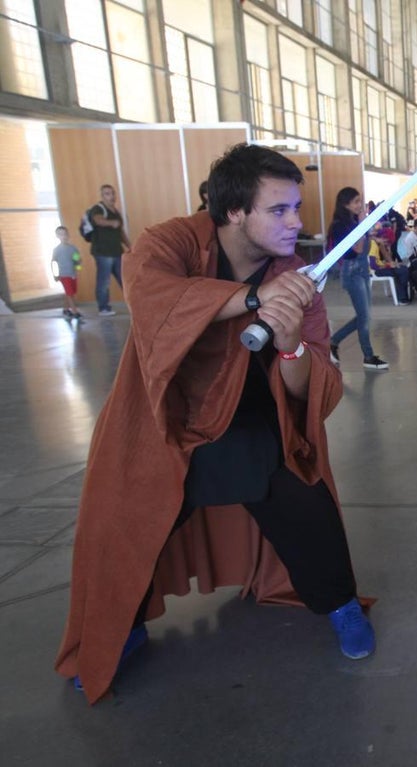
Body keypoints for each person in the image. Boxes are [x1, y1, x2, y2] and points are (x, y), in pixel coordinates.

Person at [55, 144, 375, 705]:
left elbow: (317, 390)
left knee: (306, 504)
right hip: (167, 423)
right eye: (278, 211)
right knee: (123, 522)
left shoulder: (297, 277)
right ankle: (116, 629)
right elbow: (152, 295)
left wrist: (290, 341)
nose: (295, 223)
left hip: (255, 423)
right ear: (233, 212)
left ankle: (341, 606)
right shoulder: (174, 242)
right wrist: (253, 296)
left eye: (296, 208)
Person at [327, 188, 388, 370]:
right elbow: (359, 249)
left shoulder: (352, 221)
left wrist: (373, 235)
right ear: (345, 204)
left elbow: (365, 243)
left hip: (362, 271)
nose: (359, 205)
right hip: (352, 272)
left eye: (360, 201)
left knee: (364, 316)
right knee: (364, 317)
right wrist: (362, 224)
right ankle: (368, 357)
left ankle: (333, 341)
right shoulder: (339, 225)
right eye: (355, 202)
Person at [88, 184, 132, 316]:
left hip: (117, 251)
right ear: (102, 196)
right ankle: (103, 308)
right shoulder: (98, 209)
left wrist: (130, 246)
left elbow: (120, 232)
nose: (111, 196)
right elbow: (98, 220)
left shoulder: (116, 212)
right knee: (104, 281)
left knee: (124, 279)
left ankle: (133, 304)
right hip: (103, 253)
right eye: (107, 194)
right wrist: (111, 223)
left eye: (112, 193)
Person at [51, 225, 83, 321]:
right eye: (60, 234)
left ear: (68, 235)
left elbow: (77, 261)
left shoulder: (73, 248)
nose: (63, 236)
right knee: (70, 294)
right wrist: (55, 275)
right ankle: (75, 312)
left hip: (72, 274)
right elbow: (53, 262)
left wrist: (77, 270)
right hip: (63, 275)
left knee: (70, 292)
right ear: (57, 236)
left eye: (65, 234)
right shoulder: (56, 250)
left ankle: (65, 309)